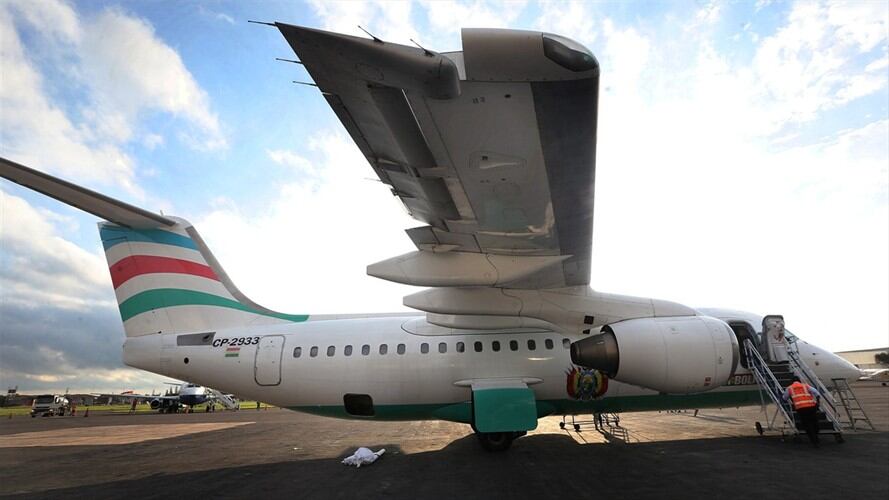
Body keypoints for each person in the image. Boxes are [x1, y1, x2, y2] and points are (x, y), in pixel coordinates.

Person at [783, 376, 821, 446]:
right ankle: (816, 434)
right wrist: (818, 402)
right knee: (814, 421)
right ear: (799, 380)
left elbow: (785, 398)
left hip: (801, 409)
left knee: (807, 424)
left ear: (791, 381)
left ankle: (814, 440)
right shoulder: (805, 385)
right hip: (811, 407)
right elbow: (817, 393)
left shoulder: (789, 388)